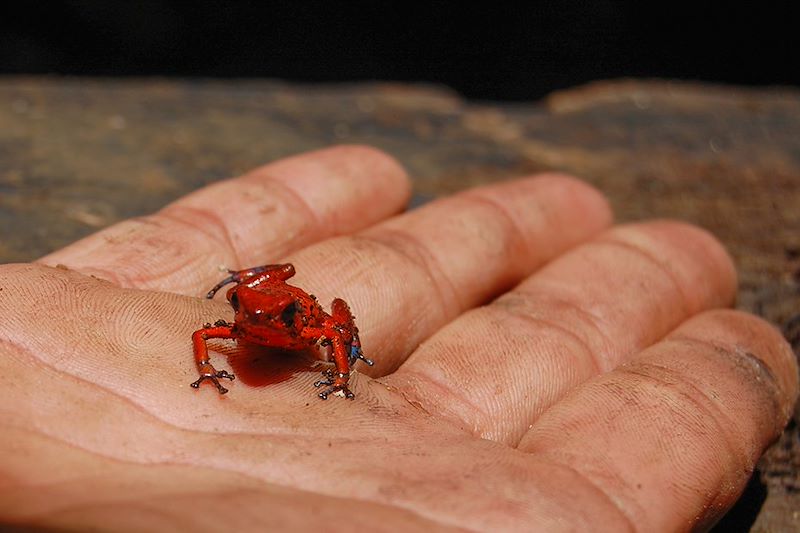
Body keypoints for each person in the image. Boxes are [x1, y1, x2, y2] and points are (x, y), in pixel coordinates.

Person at [1, 145, 796, 531]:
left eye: (262, 317)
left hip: (317, 324)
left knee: (341, 326)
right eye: (249, 317)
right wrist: (211, 369)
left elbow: (329, 326)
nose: (249, 329)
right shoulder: (234, 323)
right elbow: (205, 336)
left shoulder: (304, 322)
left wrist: (339, 370)